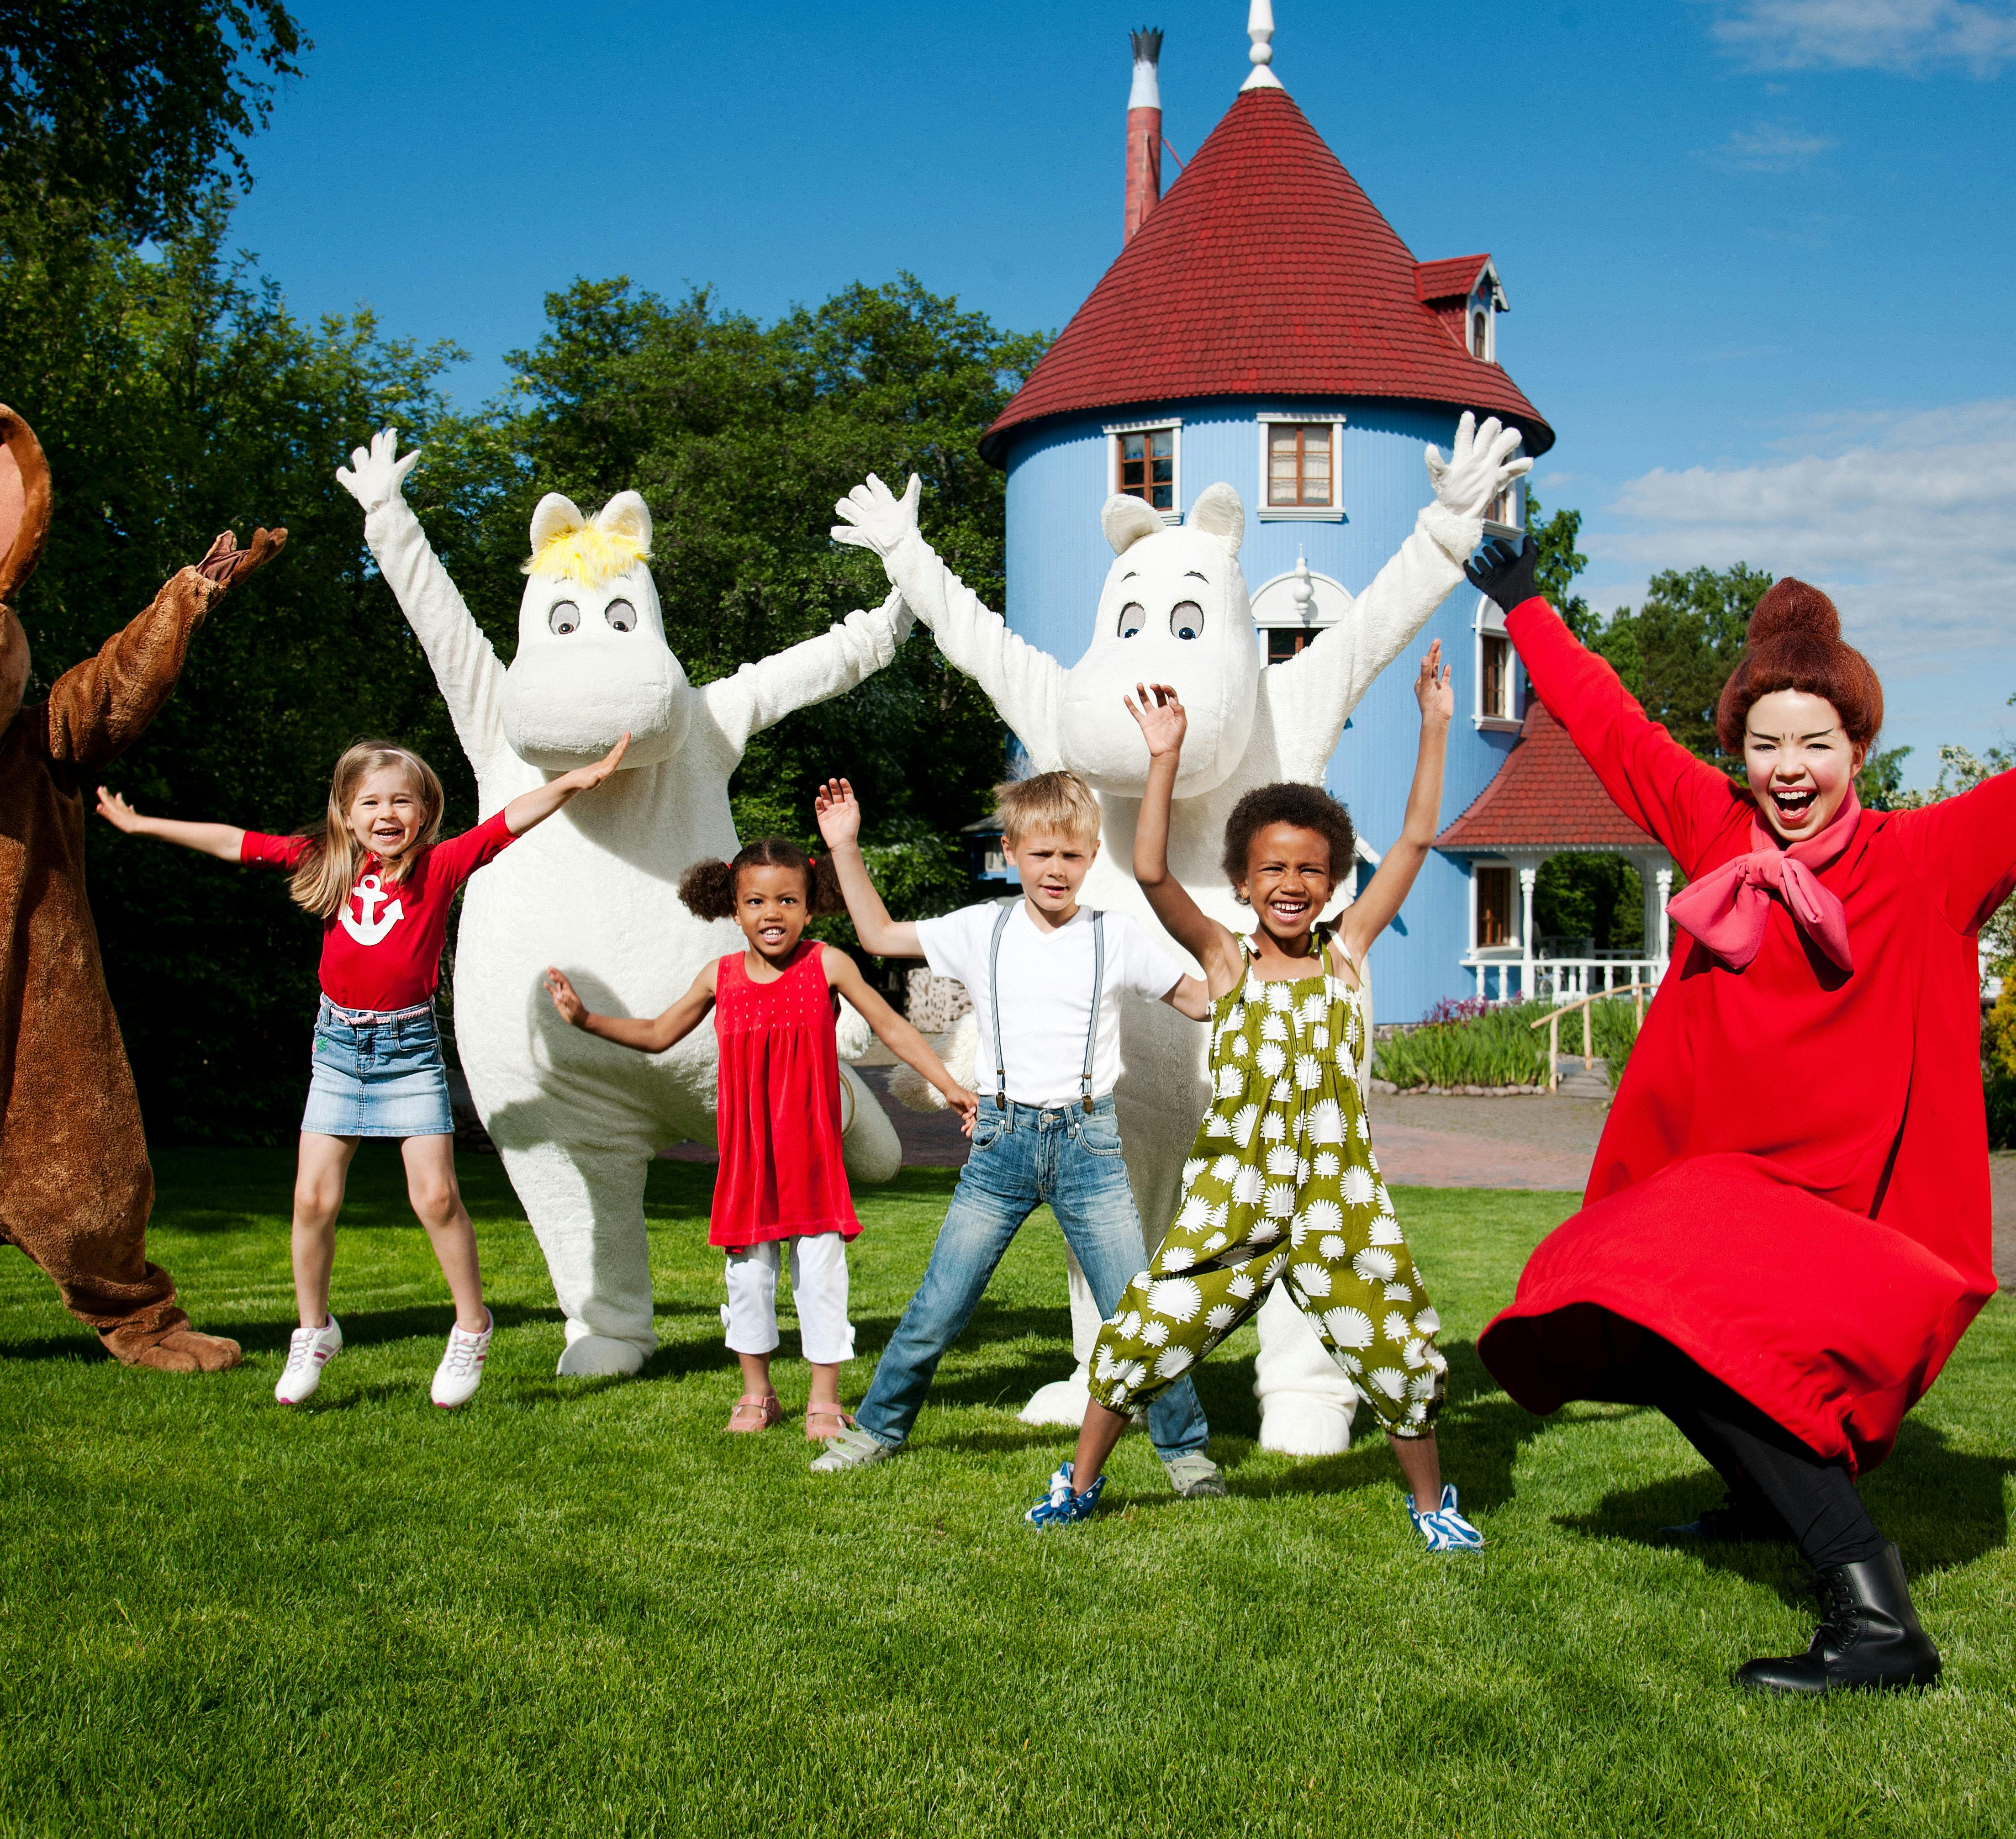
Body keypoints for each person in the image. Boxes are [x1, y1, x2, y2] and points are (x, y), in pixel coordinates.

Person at [1462, 538, 2016, 1692]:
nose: (1790, 769)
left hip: (1849, 1215)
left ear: (1858, 749)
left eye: (1815, 744)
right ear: (1738, 753)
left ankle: (1877, 1617)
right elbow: (1610, 725)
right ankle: (1765, 1501)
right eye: (1766, 745)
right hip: (1722, 1200)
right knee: (1631, 1298)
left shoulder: (1931, 857)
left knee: (1657, 1303)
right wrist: (1526, 605)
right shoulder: (1714, 831)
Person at [1025, 645, 1486, 1552]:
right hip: (1234, 1195)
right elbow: (1152, 872)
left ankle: (1433, 1507)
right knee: (1145, 1331)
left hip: (1338, 1197)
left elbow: (1416, 841)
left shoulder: (1347, 952)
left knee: (1397, 1347)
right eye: (1272, 869)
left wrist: (1435, 725)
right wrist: (1165, 756)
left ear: (1333, 881)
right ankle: (1077, 1486)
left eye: (1310, 869)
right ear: (1243, 880)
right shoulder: (1226, 961)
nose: (1291, 884)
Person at [95, 733, 627, 1407]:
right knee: (312, 1201)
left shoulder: (440, 866)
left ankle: (471, 1326)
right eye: (371, 802)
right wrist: (142, 824)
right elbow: (235, 841)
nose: (387, 814)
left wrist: (576, 780)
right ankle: (314, 1331)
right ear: (346, 814)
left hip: (409, 1053)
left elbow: (510, 820)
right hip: (338, 1053)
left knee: (436, 1199)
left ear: (425, 811)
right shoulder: (325, 864)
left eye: (402, 801)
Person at [806, 771, 1226, 1496]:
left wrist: (1274, 971)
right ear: (1010, 852)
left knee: (1136, 1313)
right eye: (1040, 855)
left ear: (1092, 856)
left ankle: (1184, 1450)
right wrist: (844, 845)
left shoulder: (1116, 937)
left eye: (1071, 856)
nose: (1055, 870)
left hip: (1090, 1149)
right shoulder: (982, 928)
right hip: (1001, 1146)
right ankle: (876, 1429)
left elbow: (1200, 998)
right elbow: (878, 935)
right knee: (939, 1305)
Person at [547, 839, 976, 1437]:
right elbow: (657, 1033)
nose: (772, 913)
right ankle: (757, 1395)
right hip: (747, 1163)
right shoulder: (718, 977)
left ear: (810, 907)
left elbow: (892, 1027)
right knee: (748, 1280)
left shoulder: (828, 965)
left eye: (787, 900)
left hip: (814, 1158)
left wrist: (949, 1085)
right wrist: (585, 1019)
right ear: (733, 907)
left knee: (821, 1279)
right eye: (756, 901)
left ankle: (824, 1400)